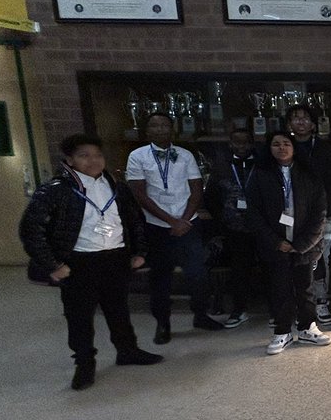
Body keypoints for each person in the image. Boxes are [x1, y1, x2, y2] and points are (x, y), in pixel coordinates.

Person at [20, 134, 163, 390]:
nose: (93, 160)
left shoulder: (117, 186)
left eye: (97, 155)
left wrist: (139, 251)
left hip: (116, 257)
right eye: (84, 156)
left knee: (118, 309)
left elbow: (134, 221)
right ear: (70, 159)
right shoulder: (55, 191)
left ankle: (127, 350)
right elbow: (31, 230)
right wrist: (53, 264)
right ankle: (84, 363)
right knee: (79, 316)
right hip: (79, 262)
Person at [126, 112, 224, 344]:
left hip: (188, 224)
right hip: (157, 226)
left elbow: (196, 189)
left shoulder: (185, 155)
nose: (160, 129)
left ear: (172, 129)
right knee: (161, 278)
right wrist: (171, 222)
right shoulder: (137, 156)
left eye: (164, 125)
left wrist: (184, 220)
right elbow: (139, 194)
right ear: (147, 131)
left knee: (198, 274)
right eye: (154, 125)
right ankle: (163, 323)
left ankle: (200, 314)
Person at [247, 132, 331, 355]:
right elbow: (253, 212)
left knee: (306, 287)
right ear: (269, 148)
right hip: (275, 244)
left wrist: (302, 244)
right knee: (279, 287)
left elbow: (320, 210)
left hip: (304, 243)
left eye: (286, 144)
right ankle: (282, 331)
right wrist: (276, 242)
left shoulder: (308, 173)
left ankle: (307, 327)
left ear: (294, 147)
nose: (281, 148)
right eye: (276, 144)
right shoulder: (260, 173)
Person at [287, 103, 331, 326]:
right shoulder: (283, 147)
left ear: (313, 124)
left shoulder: (325, 149)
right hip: (290, 215)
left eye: (304, 118)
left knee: (320, 259)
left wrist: (325, 209)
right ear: (289, 124)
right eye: (295, 118)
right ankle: (295, 305)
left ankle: (320, 301)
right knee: (292, 258)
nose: (300, 122)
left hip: (320, 214)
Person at [203, 127, 259, 329]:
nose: (241, 146)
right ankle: (239, 310)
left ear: (252, 143)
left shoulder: (263, 163)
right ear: (230, 144)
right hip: (234, 227)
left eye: (245, 142)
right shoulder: (221, 166)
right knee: (239, 270)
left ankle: (274, 310)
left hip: (262, 226)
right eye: (237, 142)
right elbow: (210, 197)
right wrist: (223, 218)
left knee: (270, 268)